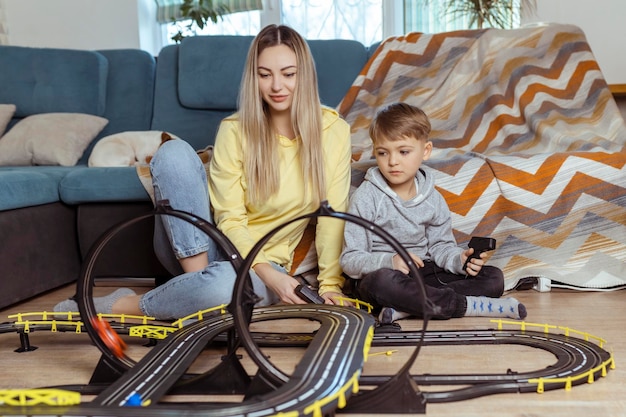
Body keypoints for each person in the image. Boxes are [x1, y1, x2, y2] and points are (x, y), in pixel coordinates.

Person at [54, 25, 352, 320]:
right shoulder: (235, 130)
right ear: (253, 77)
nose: (277, 86)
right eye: (265, 74)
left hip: (264, 265)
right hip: (197, 249)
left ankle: (146, 302)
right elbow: (230, 219)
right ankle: (198, 292)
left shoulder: (333, 131)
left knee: (223, 286)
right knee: (173, 152)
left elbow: (332, 215)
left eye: (289, 74)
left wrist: (330, 285)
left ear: (305, 75)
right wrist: (205, 281)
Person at [340, 102, 527, 324]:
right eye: (382, 153)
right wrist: (389, 261)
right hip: (386, 274)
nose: (392, 161)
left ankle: (410, 307)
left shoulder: (433, 198)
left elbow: (440, 247)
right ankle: (463, 306)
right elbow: (350, 259)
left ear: (425, 151)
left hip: (425, 275)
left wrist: (460, 260)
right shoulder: (367, 197)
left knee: (493, 278)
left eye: (403, 151)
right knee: (381, 283)